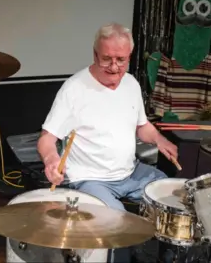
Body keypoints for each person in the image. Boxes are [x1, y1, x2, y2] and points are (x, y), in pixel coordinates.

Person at [37, 23, 178, 262]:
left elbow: (142, 126)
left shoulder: (131, 84)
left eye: (121, 60)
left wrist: (159, 139)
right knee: (117, 223)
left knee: (171, 196)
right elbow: (47, 138)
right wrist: (52, 160)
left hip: (130, 172)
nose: (114, 67)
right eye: (107, 59)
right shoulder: (74, 89)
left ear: (129, 57)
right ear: (95, 54)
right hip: (91, 178)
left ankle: (164, 256)